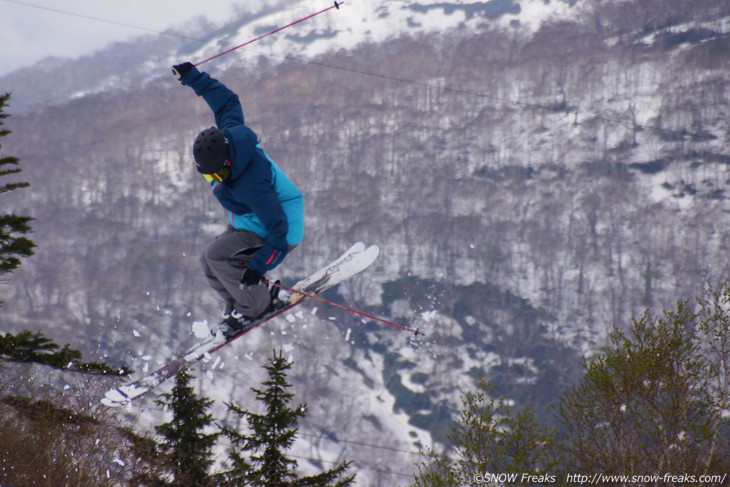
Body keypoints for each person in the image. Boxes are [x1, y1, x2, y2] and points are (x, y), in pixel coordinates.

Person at [172, 62, 305, 338]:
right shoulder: (230, 136)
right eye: (210, 177)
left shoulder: (252, 185)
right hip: (253, 220)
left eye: (218, 174)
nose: (216, 180)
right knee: (208, 260)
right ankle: (239, 304)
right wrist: (192, 77)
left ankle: (257, 305)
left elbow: (278, 231)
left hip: (279, 227)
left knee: (218, 256)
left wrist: (258, 268)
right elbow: (226, 102)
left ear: (227, 160)